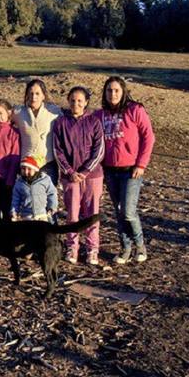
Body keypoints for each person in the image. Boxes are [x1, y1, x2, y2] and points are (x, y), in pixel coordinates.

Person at [95, 76, 155, 264]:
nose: (112, 94)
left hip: (131, 170)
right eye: (109, 90)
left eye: (116, 90)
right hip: (110, 170)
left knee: (128, 211)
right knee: (118, 210)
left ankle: (140, 245)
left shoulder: (135, 110)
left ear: (123, 92)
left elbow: (149, 137)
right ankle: (125, 248)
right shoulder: (100, 115)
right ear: (104, 93)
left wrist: (141, 164)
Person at [53, 87, 105, 265]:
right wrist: (69, 172)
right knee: (72, 214)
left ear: (86, 102)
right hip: (70, 177)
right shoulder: (61, 122)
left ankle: (92, 249)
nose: (76, 104)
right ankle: (72, 246)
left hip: (92, 176)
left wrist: (84, 171)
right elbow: (57, 150)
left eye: (80, 101)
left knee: (92, 213)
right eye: (73, 100)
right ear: (68, 101)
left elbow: (99, 150)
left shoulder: (94, 122)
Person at [0, 79, 62, 185]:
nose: (34, 97)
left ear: (43, 95)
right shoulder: (19, 112)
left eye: (37, 93)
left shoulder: (53, 111)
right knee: (26, 197)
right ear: (27, 95)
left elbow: (68, 120)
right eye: (31, 93)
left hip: (47, 163)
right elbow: (2, 116)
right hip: (26, 164)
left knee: (47, 197)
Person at [10, 155, 58, 222]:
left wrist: (52, 206)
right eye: (23, 169)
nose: (26, 172)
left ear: (35, 170)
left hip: (42, 215)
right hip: (27, 216)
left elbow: (52, 193)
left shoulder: (44, 180)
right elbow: (15, 199)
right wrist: (14, 212)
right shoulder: (19, 183)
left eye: (29, 169)